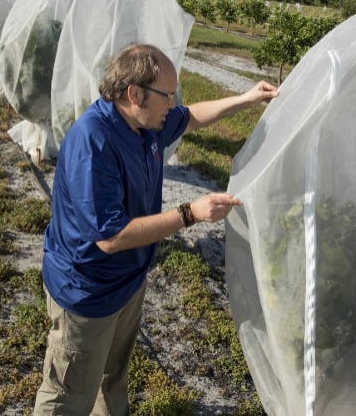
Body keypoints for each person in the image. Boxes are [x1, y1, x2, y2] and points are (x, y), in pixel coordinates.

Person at [33, 42, 279, 415]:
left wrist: (247, 99)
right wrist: (190, 213)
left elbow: (192, 116)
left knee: (111, 377)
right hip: (88, 293)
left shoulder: (145, 124)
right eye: (167, 95)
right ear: (135, 93)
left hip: (128, 283)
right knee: (68, 393)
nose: (173, 103)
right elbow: (110, 237)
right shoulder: (93, 142)